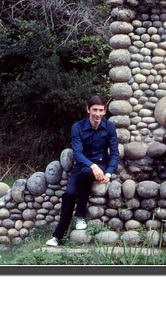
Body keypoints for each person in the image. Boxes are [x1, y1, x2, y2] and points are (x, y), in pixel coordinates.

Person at [46, 95, 119, 246]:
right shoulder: (77, 127)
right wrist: (92, 166)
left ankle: (80, 216)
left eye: (101, 110)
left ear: (105, 111)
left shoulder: (109, 127)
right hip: (82, 165)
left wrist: (108, 173)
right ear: (88, 110)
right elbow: (77, 154)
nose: (97, 114)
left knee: (87, 173)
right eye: (94, 110)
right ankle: (57, 237)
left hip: (101, 165)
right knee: (69, 193)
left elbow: (115, 153)